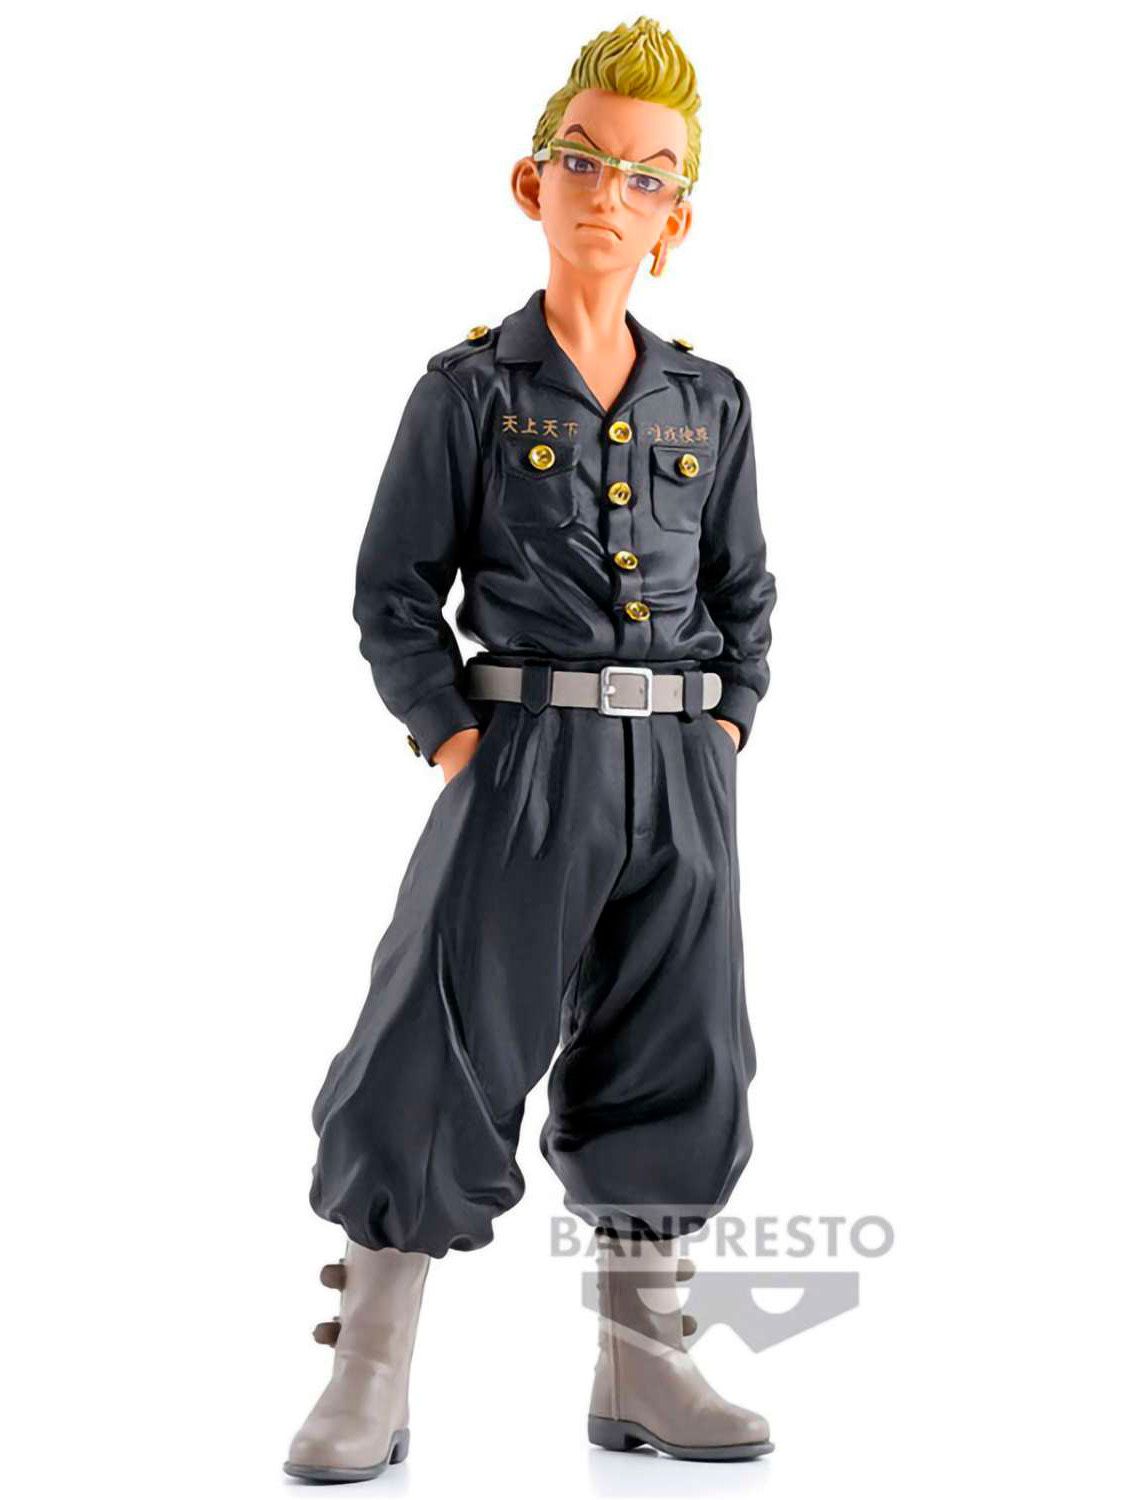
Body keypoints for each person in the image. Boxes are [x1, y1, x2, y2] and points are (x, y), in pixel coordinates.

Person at [285, 17, 777, 1481]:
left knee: (682, 1044)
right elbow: (392, 593)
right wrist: (458, 741)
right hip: (523, 761)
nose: (611, 193)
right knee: (435, 1040)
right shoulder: (470, 391)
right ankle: (371, 1365)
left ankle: (645, 1361)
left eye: (648, 175)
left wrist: (726, 727)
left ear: (677, 217)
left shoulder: (709, 401)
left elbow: (746, 592)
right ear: (532, 181)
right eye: (585, 159)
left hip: (678, 773)